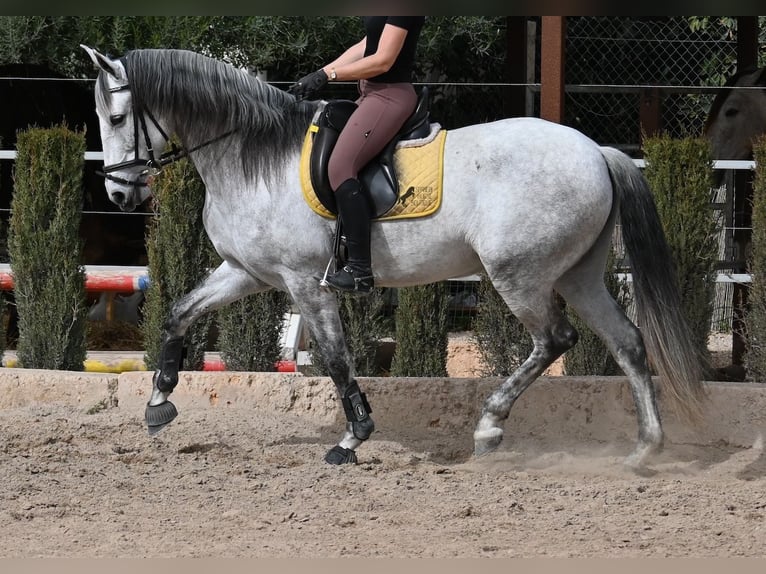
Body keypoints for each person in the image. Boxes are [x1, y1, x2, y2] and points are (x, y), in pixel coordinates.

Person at [289, 16, 426, 294]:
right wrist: (320, 72)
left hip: (390, 97)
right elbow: (366, 45)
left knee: (340, 167)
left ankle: (360, 271)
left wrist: (330, 76)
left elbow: (383, 60)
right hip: (368, 95)